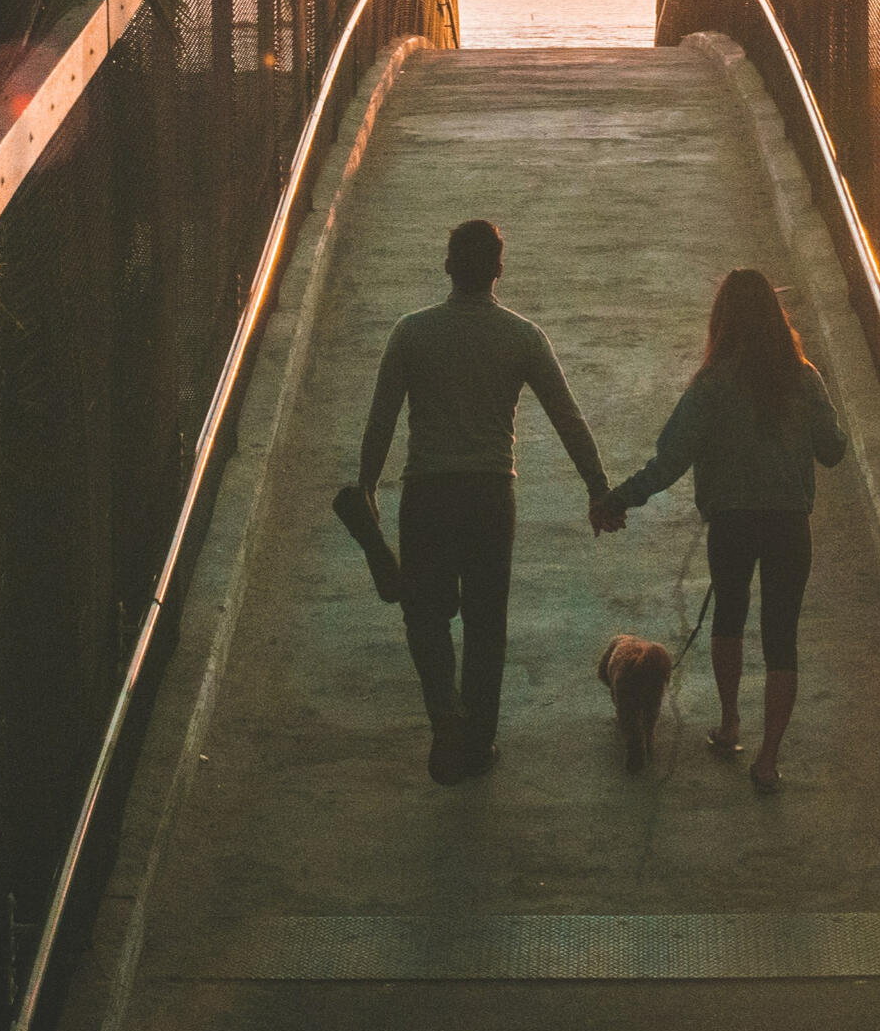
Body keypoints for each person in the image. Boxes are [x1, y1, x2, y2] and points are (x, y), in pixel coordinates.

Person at [357, 217, 613, 784]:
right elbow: (568, 418)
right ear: (499, 270)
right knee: (485, 620)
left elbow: (381, 420)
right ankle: (477, 744)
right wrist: (597, 487)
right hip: (491, 495)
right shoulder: (522, 336)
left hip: (427, 493)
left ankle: (444, 712)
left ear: (448, 265)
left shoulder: (411, 333)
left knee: (424, 612)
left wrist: (368, 485)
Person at [593, 268, 846, 792]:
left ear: (722, 320)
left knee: (728, 617)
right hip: (788, 523)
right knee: (782, 638)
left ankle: (730, 725)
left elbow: (669, 462)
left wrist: (617, 500)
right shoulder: (803, 377)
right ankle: (768, 761)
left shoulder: (710, 385)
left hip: (731, 523)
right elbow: (833, 450)